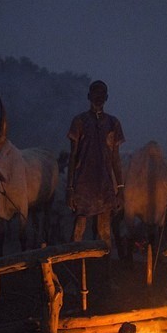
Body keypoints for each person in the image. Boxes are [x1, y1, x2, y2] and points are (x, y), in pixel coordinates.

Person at [66, 80, 125, 255]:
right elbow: (72, 157)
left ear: (106, 97)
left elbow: (115, 159)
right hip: (83, 185)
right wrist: (69, 188)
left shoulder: (113, 123)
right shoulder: (79, 121)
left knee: (105, 234)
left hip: (104, 186)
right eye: (95, 93)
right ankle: (74, 270)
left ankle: (105, 277)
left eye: (102, 94)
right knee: (78, 231)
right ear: (89, 96)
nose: (99, 97)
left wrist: (120, 189)